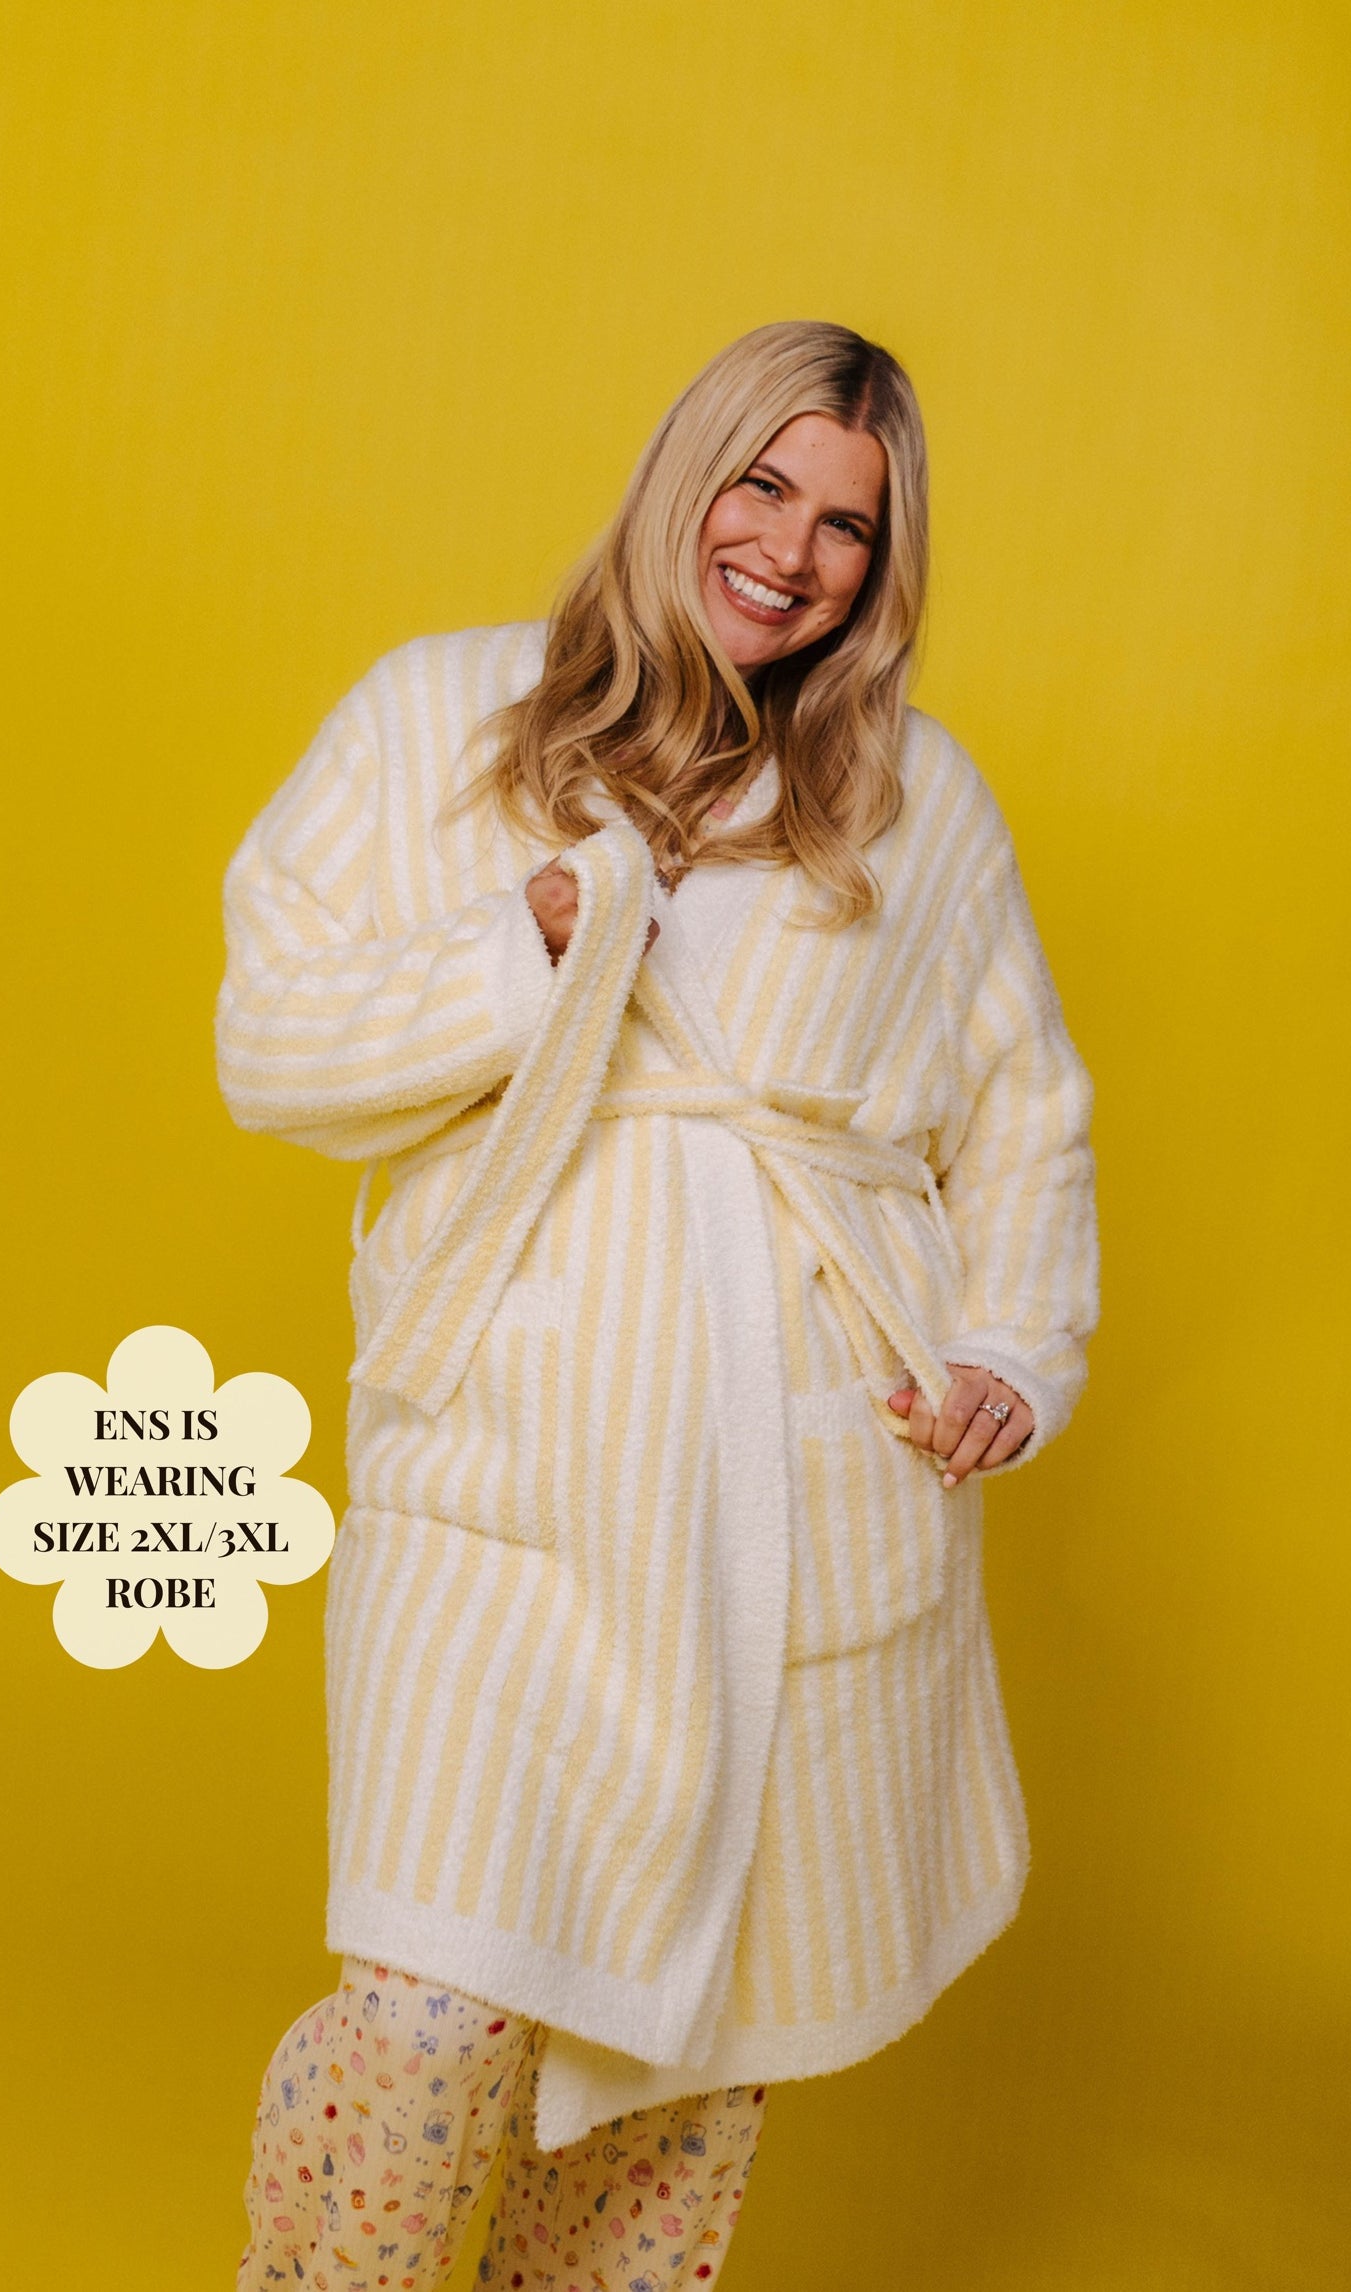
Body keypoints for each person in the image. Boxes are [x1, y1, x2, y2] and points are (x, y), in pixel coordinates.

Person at [216, 319, 1098, 2292]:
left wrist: (1007, 1352)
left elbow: (1026, 1106)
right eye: (761, 486)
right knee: (430, 2023)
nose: (792, 552)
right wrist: (517, 948)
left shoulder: (922, 802)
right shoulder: (438, 719)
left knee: (691, 2061)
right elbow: (271, 1041)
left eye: (849, 525)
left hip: (791, 1499)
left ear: (885, 564)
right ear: (685, 475)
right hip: (504, 1488)